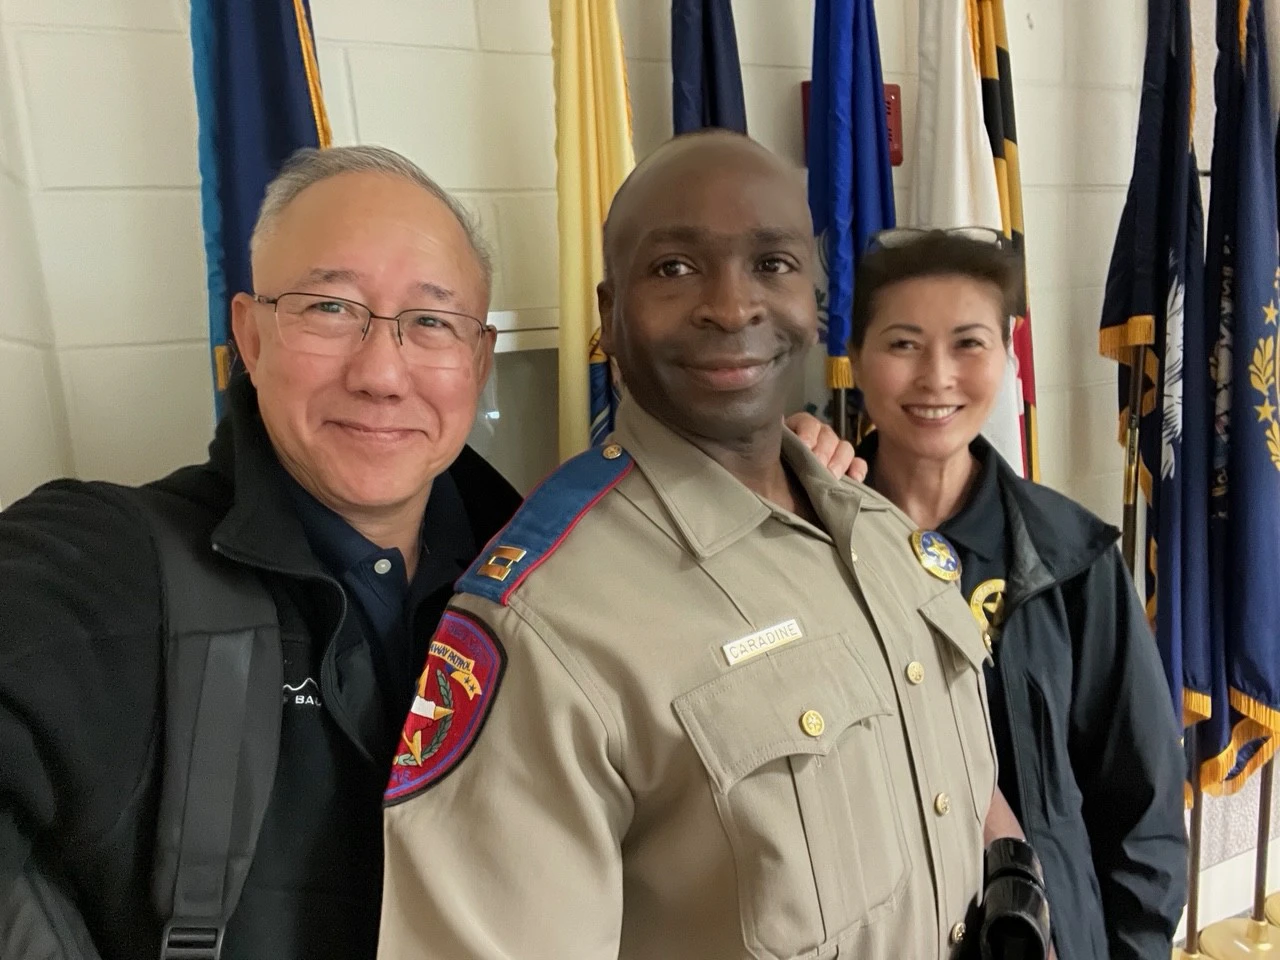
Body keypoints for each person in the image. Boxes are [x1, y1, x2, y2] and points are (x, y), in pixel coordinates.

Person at [0, 144, 860, 960]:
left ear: (479, 362)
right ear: (251, 338)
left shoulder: (558, 580)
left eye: (432, 321)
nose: (382, 373)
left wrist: (777, 488)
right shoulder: (118, 569)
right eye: (330, 309)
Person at [377, 131, 1005, 960]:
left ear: (816, 299)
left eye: (772, 264)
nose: (733, 307)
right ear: (609, 315)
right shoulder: (546, 626)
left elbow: (956, 794)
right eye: (674, 268)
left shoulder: (881, 532)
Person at [847, 228, 1187, 960]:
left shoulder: (1070, 558)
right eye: (903, 344)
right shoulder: (807, 546)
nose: (937, 376)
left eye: (968, 343)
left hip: (1050, 935)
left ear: (1007, 356)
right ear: (855, 358)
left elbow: (1142, 808)